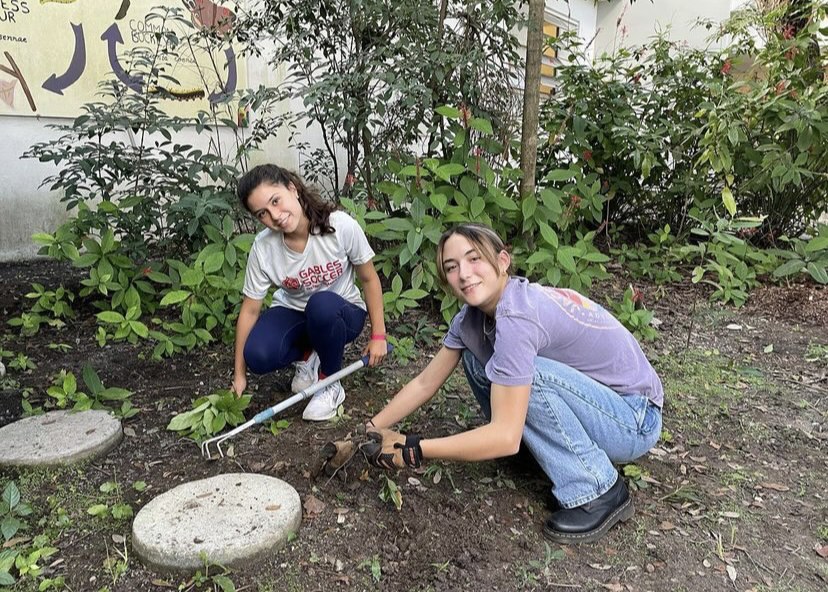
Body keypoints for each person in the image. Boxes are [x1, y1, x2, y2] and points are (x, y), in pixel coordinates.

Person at [362, 223, 663, 544]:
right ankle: (540, 449)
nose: (464, 273)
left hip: (633, 419)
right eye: (452, 267)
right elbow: (424, 382)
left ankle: (598, 488)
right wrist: (371, 428)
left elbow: (504, 437)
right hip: (596, 404)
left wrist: (414, 449)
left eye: (474, 258)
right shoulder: (471, 320)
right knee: (479, 357)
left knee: (528, 376)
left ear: (502, 261)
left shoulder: (519, 314)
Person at [231, 164, 388, 421]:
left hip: (341, 312)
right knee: (258, 354)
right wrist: (239, 374)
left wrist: (378, 334)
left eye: (276, 201)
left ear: (292, 188)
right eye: (263, 213)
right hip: (294, 312)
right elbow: (250, 309)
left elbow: (369, 279)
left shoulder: (339, 226)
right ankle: (308, 357)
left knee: (321, 306)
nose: (275, 215)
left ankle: (329, 382)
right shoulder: (263, 247)